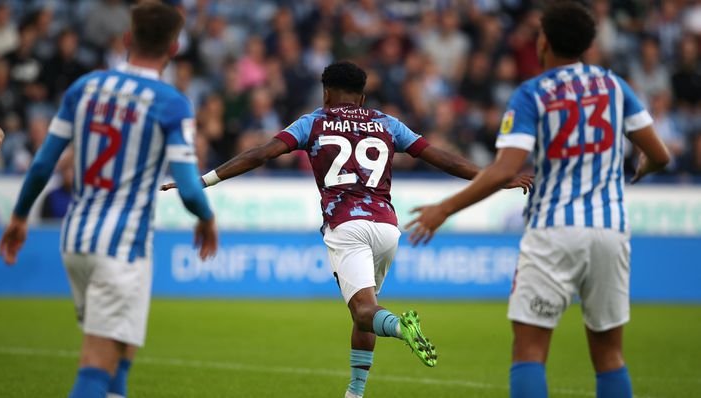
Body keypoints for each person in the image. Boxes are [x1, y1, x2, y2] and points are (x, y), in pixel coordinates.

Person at [161, 60, 533, 398]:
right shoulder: (388, 124)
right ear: (363, 95)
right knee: (365, 310)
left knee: (364, 311)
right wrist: (499, 178)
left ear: (325, 92)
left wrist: (203, 180)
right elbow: (442, 158)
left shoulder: (314, 121)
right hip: (388, 227)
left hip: (346, 224)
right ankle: (355, 392)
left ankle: (403, 328)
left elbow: (260, 153)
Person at [406, 3, 670, 398]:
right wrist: (645, 167)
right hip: (611, 230)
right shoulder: (615, 86)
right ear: (588, 43)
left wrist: (444, 208)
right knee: (609, 353)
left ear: (543, 40)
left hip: (553, 230)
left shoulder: (532, 93)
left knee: (529, 349)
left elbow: (502, 169)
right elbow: (660, 154)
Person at [0, 3, 218, 398]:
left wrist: (18, 216)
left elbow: (45, 160)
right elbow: (187, 186)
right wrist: (205, 216)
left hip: (76, 239)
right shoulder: (171, 102)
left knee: (120, 350)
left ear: (128, 39)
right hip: (121, 247)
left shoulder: (85, 87)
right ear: (173, 49)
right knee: (95, 365)